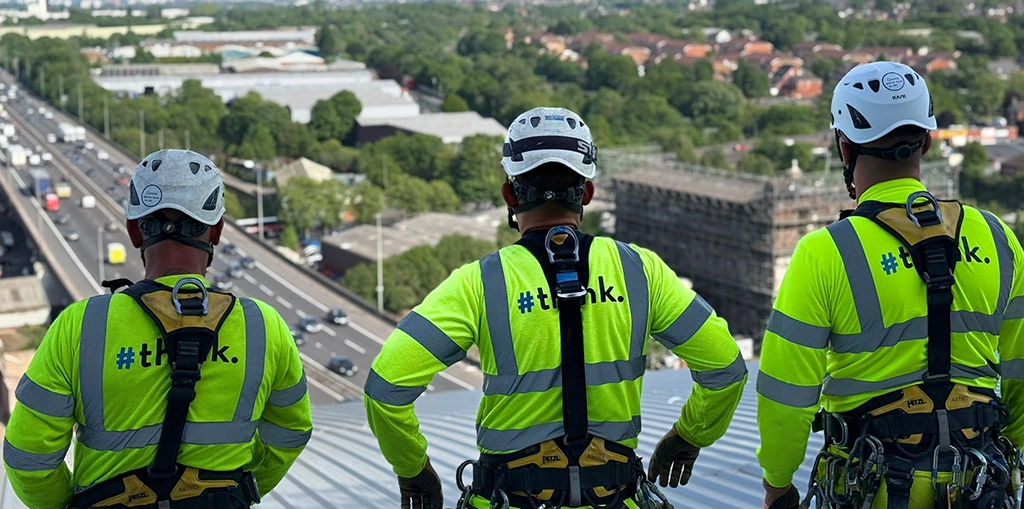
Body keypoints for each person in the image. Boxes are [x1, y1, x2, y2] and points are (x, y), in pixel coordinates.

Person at [365, 107, 748, 509]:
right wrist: (687, 438)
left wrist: (414, 470)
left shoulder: (478, 283)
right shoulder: (641, 271)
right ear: (586, 194)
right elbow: (726, 369)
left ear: (510, 195)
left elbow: (385, 389)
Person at [757, 61, 1024, 509]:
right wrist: (1009, 448)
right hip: (977, 485)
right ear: (929, 140)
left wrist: (778, 484)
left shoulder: (824, 253)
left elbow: (786, 394)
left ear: (845, 149)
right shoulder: (996, 237)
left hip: (871, 487)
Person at [4, 149, 312, 509]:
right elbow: (291, 433)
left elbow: (28, 458)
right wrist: (240, 490)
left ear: (135, 231)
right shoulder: (264, 327)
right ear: (217, 230)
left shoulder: (80, 326)